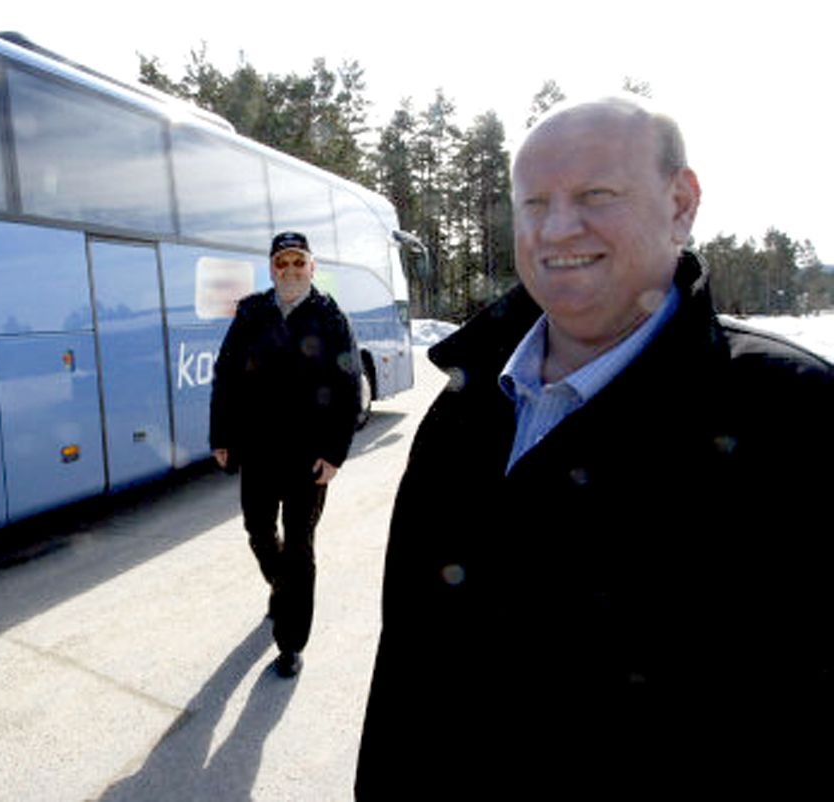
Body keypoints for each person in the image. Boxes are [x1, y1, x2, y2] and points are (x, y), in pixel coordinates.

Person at [356, 97, 832, 793]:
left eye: (595, 195)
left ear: (681, 204)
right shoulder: (466, 400)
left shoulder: (795, 416)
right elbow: (408, 652)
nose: (557, 229)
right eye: (534, 203)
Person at [210, 231, 362, 678]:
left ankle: (291, 641)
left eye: (299, 262)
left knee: (299, 547)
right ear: (272, 269)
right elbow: (226, 376)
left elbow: (348, 387)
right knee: (258, 530)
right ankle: (283, 589)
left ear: (311, 267)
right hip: (258, 451)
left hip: (308, 457)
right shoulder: (252, 313)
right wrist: (222, 436)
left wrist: (335, 453)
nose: (291, 270)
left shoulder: (330, 317)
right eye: (282, 263)